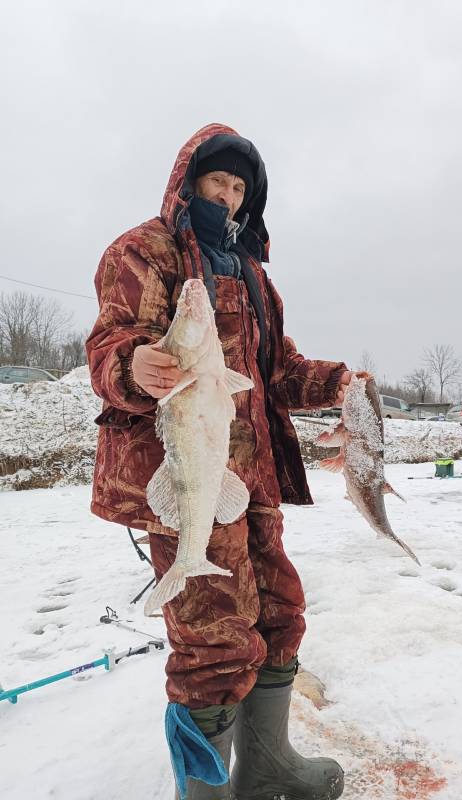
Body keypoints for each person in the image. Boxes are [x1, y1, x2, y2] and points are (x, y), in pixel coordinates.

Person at [86, 123, 350, 800]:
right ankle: (203, 792)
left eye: (239, 187)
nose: (228, 197)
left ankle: (266, 768)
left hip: (251, 476)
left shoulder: (254, 273)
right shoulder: (144, 250)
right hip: (181, 470)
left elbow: (277, 373)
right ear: (189, 181)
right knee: (212, 642)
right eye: (217, 182)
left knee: (280, 615)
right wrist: (129, 362)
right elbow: (111, 343)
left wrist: (340, 383)